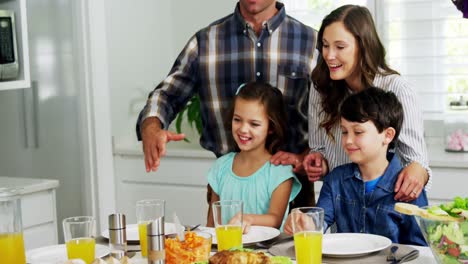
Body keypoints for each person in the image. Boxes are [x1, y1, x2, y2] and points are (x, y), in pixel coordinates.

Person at [136, 0, 318, 208]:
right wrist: (151, 126)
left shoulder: (311, 42)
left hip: (294, 191)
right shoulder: (205, 42)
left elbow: (335, 112)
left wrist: (308, 156)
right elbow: (167, 94)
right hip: (227, 189)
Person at [304, 4, 431, 202]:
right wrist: (319, 162)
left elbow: (417, 162)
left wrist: (418, 171)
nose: (329, 55)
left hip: (386, 209)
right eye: (325, 45)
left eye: (340, 47)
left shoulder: (398, 90)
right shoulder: (320, 86)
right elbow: (318, 148)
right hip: (343, 206)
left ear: (363, 46)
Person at [286, 87, 428, 246]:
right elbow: (320, 222)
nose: (348, 141)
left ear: (387, 135)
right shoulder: (336, 180)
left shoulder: (410, 187)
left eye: (358, 132)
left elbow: (420, 249)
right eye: (345, 132)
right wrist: (304, 222)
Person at [205, 82, 301, 232]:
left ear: (271, 128)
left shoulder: (280, 171)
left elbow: (275, 219)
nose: (243, 129)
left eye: (254, 124)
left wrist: (248, 218)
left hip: (268, 254)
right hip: (224, 253)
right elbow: (211, 224)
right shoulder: (220, 166)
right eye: (237, 120)